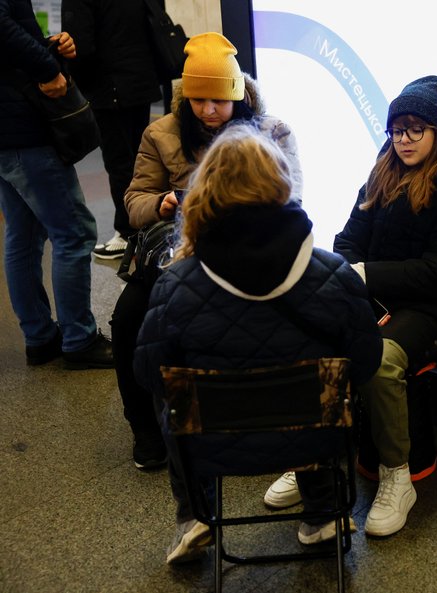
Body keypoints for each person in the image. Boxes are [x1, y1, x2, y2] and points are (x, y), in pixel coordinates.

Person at [133, 123, 382, 564]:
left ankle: (194, 515)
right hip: (314, 440)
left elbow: (148, 373)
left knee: (170, 393)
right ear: (280, 182)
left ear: (206, 189)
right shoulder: (333, 274)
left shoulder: (176, 284)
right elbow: (365, 362)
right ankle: (324, 510)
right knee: (326, 380)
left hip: (211, 447)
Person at [265, 75, 437, 538]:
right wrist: (345, 272)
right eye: (396, 130)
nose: (403, 139)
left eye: (414, 129)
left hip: (431, 309)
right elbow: (349, 236)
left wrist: (365, 275)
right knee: (308, 337)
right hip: (372, 296)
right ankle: (311, 462)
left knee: (381, 363)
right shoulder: (382, 171)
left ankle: (397, 477)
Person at [113, 31, 303, 471]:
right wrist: (159, 204)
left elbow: (293, 198)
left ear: (238, 95)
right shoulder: (161, 134)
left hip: (248, 253)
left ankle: (252, 419)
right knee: (127, 320)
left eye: (218, 100)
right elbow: (135, 199)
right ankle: (144, 428)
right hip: (176, 254)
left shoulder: (273, 132)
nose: (208, 110)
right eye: (198, 100)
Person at [0, 0, 114, 369]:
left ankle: (40, 337)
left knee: (24, 232)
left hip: (7, 130)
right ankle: (79, 339)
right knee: (74, 232)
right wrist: (48, 67)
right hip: (21, 129)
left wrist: (50, 43)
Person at [62, 0, 163, 259]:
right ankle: (148, 226)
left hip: (109, 88)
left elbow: (81, 47)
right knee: (143, 160)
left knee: (120, 163)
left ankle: (128, 234)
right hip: (141, 82)